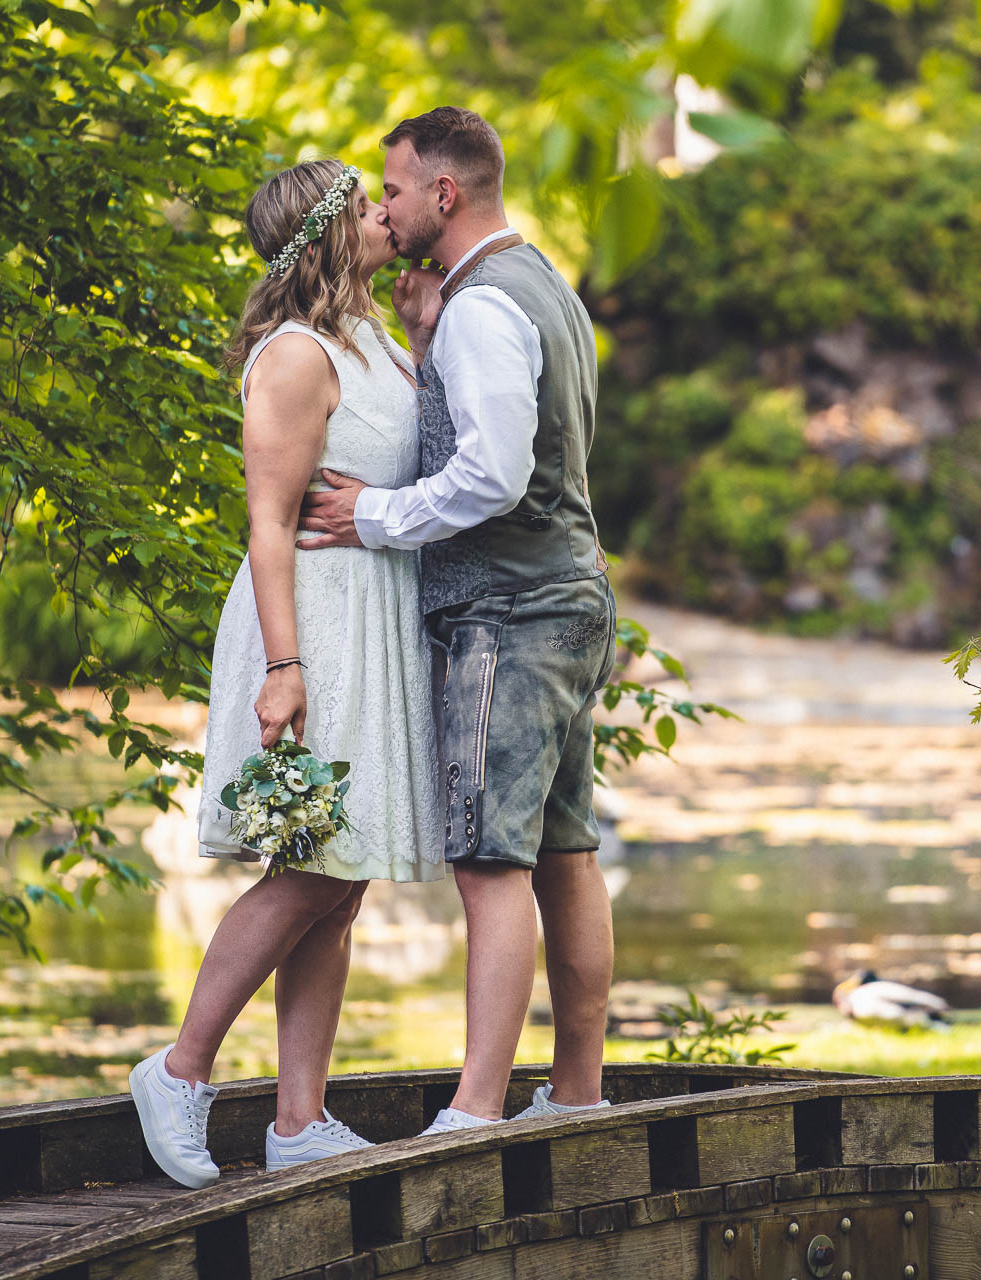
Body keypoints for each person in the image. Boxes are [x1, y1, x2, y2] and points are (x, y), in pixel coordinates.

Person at [298, 106, 619, 1135]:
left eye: (391, 190)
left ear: (446, 193)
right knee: (566, 852)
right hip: (570, 595)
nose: (381, 208)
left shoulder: (485, 307)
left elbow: (492, 472)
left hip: (509, 610)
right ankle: (575, 1090)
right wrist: (429, 333)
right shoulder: (542, 286)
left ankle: (476, 1108)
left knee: (489, 864)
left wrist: (372, 514)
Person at [128, 158, 443, 1189]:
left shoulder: (373, 338)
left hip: (375, 610)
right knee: (312, 860)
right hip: (314, 619)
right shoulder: (295, 355)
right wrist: (284, 666)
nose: (384, 214)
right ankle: (178, 1069)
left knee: (339, 879)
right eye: (364, 206)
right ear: (323, 233)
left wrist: (426, 329)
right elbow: (267, 522)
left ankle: (300, 1116)